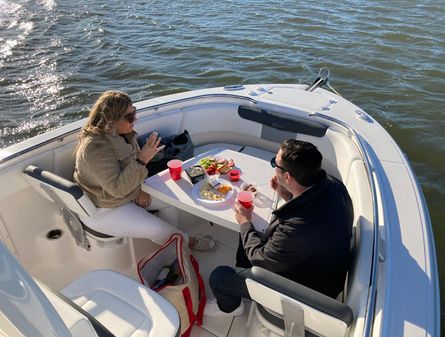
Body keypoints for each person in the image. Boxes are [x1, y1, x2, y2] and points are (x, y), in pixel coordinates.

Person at [205, 139, 353, 317]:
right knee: (251, 233)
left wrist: (244, 220)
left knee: (220, 276)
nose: (273, 166)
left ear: (288, 177)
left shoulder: (298, 227)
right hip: (321, 264)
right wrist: (287, 194)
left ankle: (232, 309)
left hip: (312, 291)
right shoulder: (334, 185)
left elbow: (261, 259)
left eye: (275, 163)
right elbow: (311, 216)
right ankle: (243, 275)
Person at [73, 90, 215, 250]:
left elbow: (127, 170)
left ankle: (171, 247)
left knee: (172, 201)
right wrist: (142, 159)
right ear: (111, 119)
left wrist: (138, 188)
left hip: (126, 193)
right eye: (129, 117)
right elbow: (117, 189)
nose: (135, 119)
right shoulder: (95, 147)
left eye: (134, 112)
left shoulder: (123, 134)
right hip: (106, 207)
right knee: (159, 230)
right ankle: (187, 242)